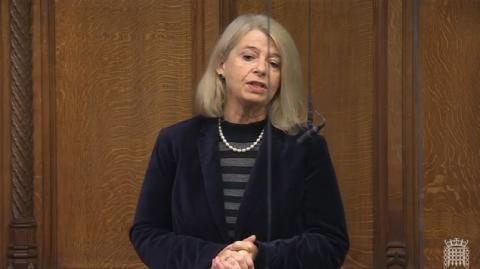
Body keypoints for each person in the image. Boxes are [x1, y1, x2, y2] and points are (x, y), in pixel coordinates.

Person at [129, 14, 349, 269]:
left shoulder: (305, 147)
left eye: (275, 63)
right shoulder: (176, 142)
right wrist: (215, 257)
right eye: (248, 57)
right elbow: (146, 232)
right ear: (221, 64)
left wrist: (260, 256)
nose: (261, 69)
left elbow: (330, 243)